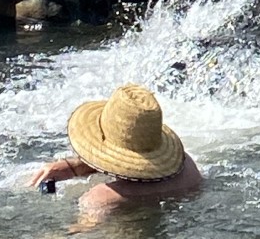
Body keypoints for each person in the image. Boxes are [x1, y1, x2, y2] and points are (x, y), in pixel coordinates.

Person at [28, 83, 202, 220]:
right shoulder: (187, 167)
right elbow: (141, 169)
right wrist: (75, 166)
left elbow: (79, 233)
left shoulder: (100, 199)